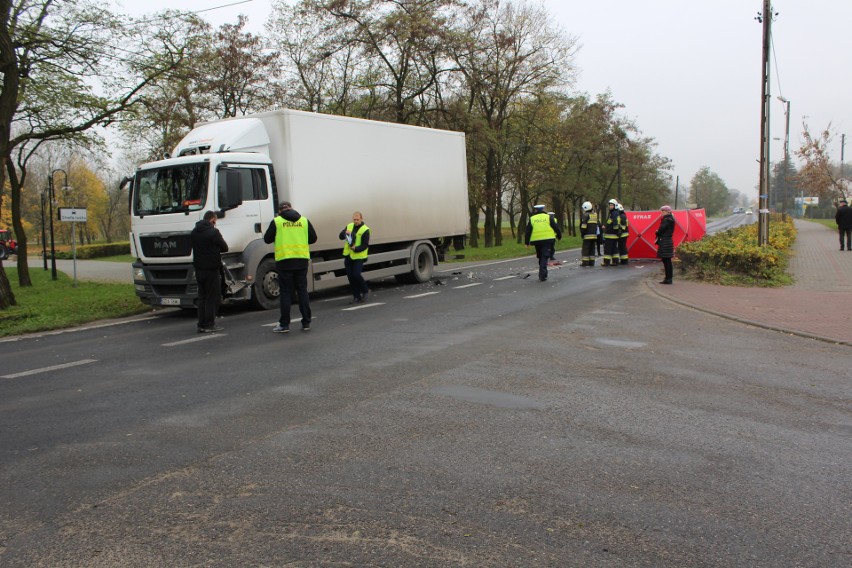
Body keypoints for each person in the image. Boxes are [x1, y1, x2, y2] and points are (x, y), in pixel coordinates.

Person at [263, 201, 317, 333]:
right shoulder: (304, 221)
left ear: (280, 211)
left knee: (286, 293)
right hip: (301, 260)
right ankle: (306, 322)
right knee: (302, 291)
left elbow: (267, 239)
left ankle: (284, 324)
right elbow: (313, 238)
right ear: (292, 208)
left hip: (285, 261)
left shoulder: (277, 221)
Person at [190, 210, 228, 333]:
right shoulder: (213, 232)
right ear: (212, 219)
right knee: (212, 297)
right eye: (215, 221)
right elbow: (224, 247)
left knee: (202, 297)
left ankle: (201, 324)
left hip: (199, 268)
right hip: (212, 269)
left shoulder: (194, 232)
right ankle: (209, 324)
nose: (215, 223)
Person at [525, 204, 562, 281]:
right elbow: (556, 227)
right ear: (543, 210)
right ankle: (542, 275)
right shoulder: (548, 217)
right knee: (544, 257)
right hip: (548, 240)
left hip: (537, 241)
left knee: (541, 257)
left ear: (535, 210)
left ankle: (543, 273)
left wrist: (526, 242)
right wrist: (559, 236)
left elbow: (528, 231)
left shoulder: (532, 218)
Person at [339, 211, 371, 303]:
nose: (356, 221)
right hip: (348, 256)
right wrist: (345, 232)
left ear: (361, 219)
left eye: (357, 219)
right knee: (350, 277)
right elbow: (340, 236)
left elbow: (365, 245)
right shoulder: (349, 226)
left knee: (356, 274)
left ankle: (365, 290)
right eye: (354, 219)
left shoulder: (365, 230)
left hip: (359, 256)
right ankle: (356, 296)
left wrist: (355, 248)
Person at [655, 205, 675, 284]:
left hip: (665, 241)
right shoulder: (671, 219)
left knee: (666, 260)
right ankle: (669, 278)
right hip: (668, 241)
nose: (662, 213)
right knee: (668, 261)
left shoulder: (666, 220)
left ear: (668, 212)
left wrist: (657, 232)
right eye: (662, 211)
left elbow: (661, 230)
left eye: (663, 211)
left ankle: (668, 279)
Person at [579, 201, 599, 267]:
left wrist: (582, 233)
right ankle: (591, 262)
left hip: (587, 235)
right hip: (594, 235)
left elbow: (584, 226)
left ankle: (585, 262)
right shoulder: (595, 215)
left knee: (585, 249)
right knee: (592, 249)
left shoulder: (585, 215)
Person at [602, 198, 621, 266]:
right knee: (614, 249)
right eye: (610, 205)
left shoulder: (614, 213)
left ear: (615, 206)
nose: (610, 206)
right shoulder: (614, 213)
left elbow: (615, 224)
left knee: (607, 249)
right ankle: (615, 261)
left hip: (610, 235)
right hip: (613, 235)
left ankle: (606, 262)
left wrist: (615, 231)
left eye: (612, 205)